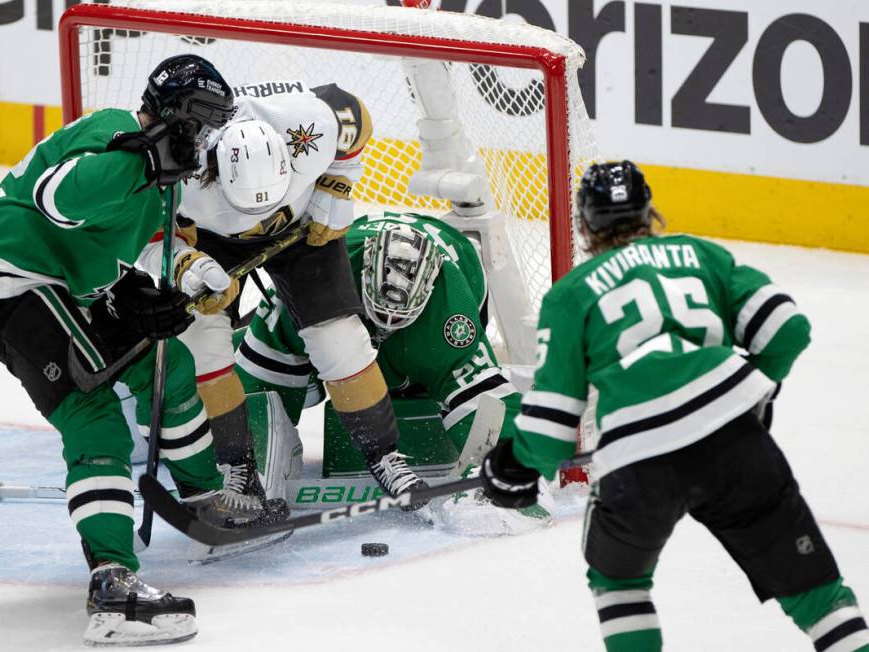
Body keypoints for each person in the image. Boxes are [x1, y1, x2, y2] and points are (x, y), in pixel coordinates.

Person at [479, 161, 869, 651]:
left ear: (583, 225)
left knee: (618, 582)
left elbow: (553, 422)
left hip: (639, 463)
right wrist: (753, 390)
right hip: (736, 443)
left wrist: (512, 465)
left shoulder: (572, 294)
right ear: (649, 212)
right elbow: (788, 328)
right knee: (816, 593)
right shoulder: (700, 254)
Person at [0, 54, 240, 646]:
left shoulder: (160, 178)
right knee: (93, 410)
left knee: (168, 360)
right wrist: (143, 159)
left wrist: (154, 292)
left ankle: (206, 498)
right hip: (11, 280)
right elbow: (60, 199)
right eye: (202, 118)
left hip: (61, 285)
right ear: (174, 110)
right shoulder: (111, 132)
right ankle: (112, 583)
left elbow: (136, 246)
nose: (206, 134)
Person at [139, 82, 430, 520]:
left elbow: (352, 111)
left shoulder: (299, 121)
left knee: (339, 340)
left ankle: (384, 455)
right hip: (210, 244)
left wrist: (335, 185)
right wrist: (186, 264)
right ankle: (237, 467)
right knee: (201, 345)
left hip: (302, 227)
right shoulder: (181, 164)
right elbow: (148, 231)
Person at [234, 211, 552, 532]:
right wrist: (248, 451)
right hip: (345, 294)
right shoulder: (316, 274)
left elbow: (483, 392)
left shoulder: (450, 304)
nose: (386, 330)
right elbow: (260, 375)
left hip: (428, 318)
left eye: (396, 321)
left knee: (428, 376)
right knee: (290, 376)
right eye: (381, 317)